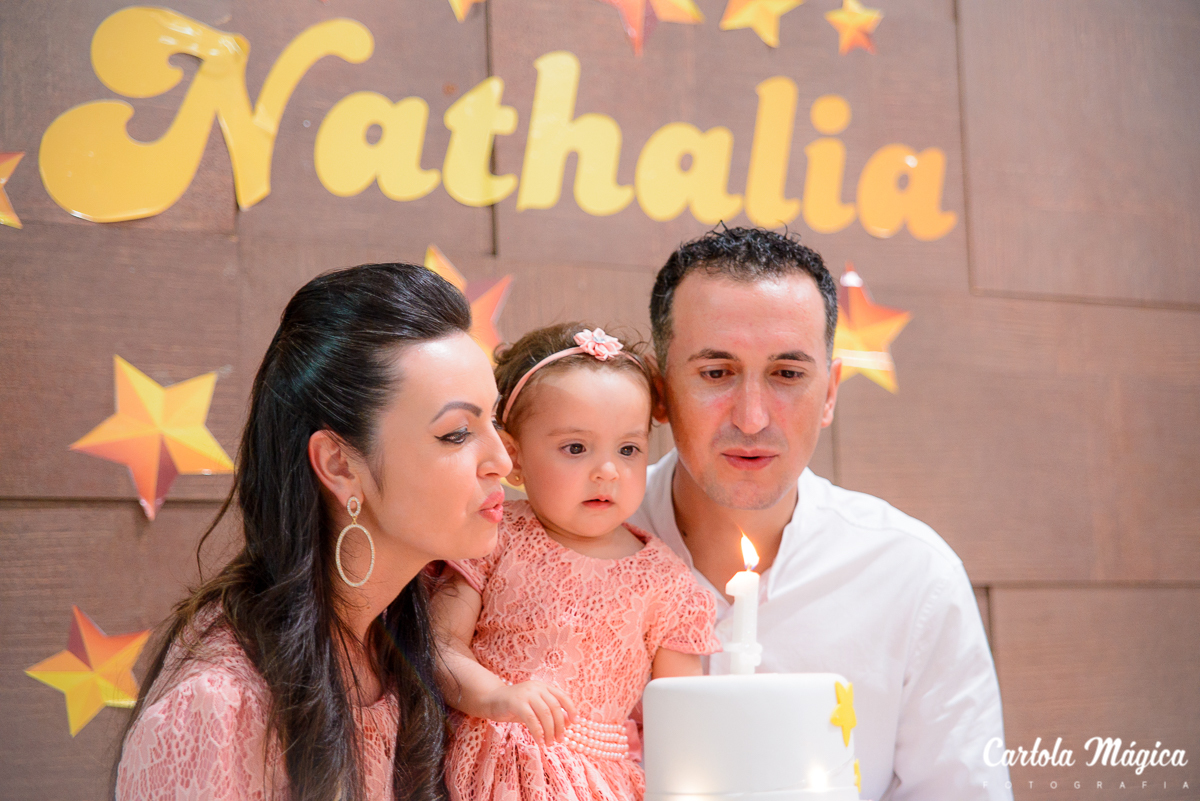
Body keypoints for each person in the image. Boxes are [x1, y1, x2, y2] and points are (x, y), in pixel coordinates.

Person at [628, 228, 1014, 801]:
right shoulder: (562, 547)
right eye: (716, 373)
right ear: (659, 392)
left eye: (787, 374)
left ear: (829, 392)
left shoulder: (914, 579)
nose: (752, 418)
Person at [113, 263, 513, 801]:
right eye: (457, 433)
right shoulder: (220, 706)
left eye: (494, 421)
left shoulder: (410, 647)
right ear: (339, 464)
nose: (502, 461)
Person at [431, 323, 720, 801]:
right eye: (576, 448)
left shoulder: (667, 583)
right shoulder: (493, 536)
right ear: (513, 455)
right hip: (482, 767)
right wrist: (495, 695)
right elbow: (440, 645)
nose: (607, 471)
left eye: (628, 449)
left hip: (594, 783)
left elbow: (682, 722)